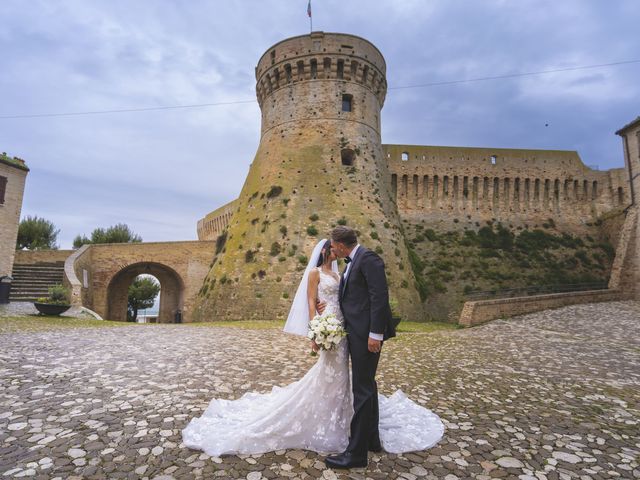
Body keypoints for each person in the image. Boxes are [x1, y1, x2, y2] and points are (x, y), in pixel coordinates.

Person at [181, 235, 444, 460]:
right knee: (331, 373)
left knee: (345, 377)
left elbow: (349, 297)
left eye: (335, 248)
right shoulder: (314, 273)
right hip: (330, 328)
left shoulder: (340, 273)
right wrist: (315, 331)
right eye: (331, 249)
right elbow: (310, 303)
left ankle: (348, 418)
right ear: (324, 252)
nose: (334, 251)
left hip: (345, 327)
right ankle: (331, 421)